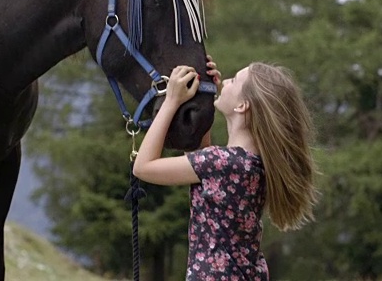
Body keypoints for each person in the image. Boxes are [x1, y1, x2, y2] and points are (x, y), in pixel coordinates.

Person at [133, 56, 318, 280]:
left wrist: (171, 100)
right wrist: (207, 92)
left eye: (234, 81)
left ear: (242, 106)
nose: (226, 81)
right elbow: (201, 158)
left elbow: (143, 167)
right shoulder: (250, 165)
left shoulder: (223, 162)